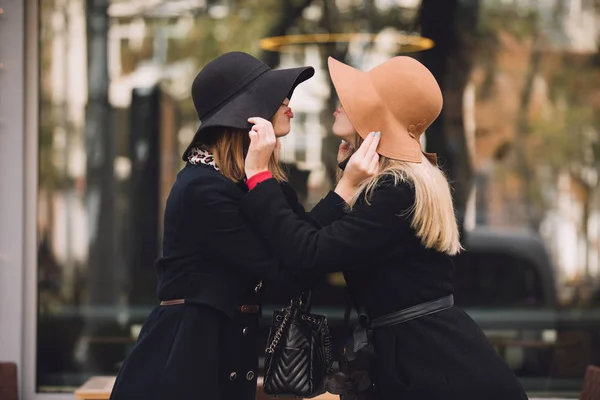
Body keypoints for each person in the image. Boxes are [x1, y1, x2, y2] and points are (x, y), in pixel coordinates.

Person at [240, 56, 529, 400]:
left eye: (351, 100)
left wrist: (259, 176)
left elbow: (308, 253)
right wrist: (346, 183)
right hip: (425, 356)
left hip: (436, 369)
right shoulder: (399, 182)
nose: (338, 106)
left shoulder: (395, 189)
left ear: (377, 116)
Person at [109, 51, 369, 400]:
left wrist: (345, 185)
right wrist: (343, 190)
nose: (288, 101)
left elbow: (302, 237)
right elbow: (287, 267)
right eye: (274, 94)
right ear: (245, 114)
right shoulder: (201, 188)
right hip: (185, 358)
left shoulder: (256, 182)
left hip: (223, 352)